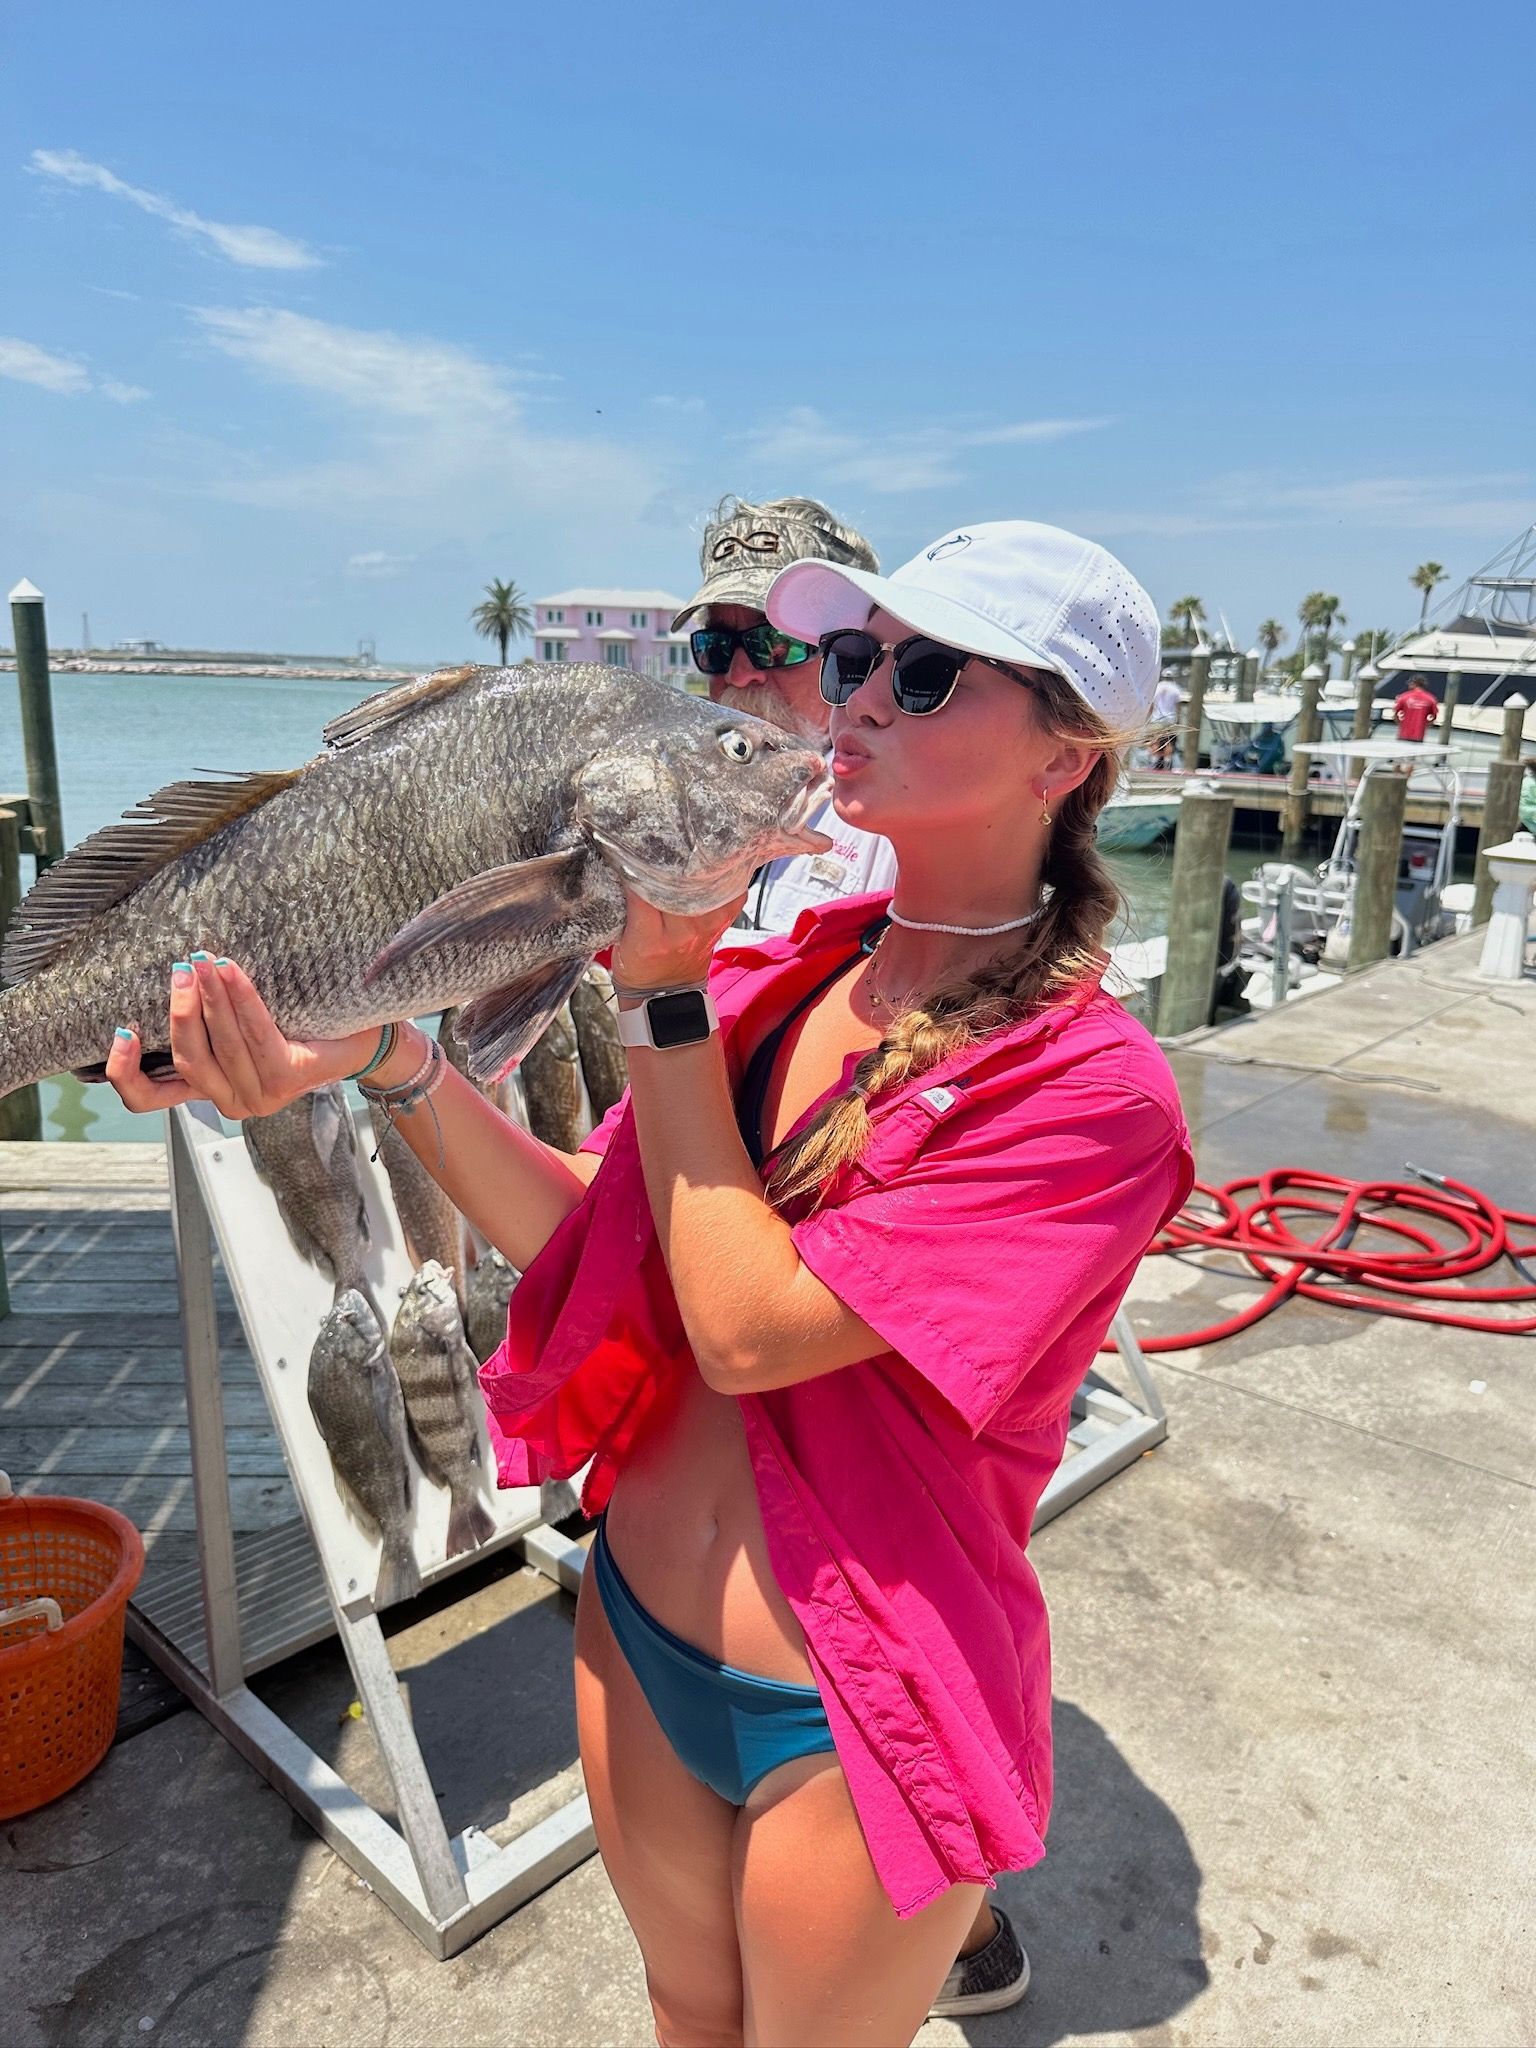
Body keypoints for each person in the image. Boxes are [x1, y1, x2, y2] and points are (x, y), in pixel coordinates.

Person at [104, 519, 1193, 2048]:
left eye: (929, 673)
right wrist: (375, 1054)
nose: (857, 698)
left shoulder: (1090, 1095)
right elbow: (596, 1246)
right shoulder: (792, 972)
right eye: (857, 657)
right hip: (634, 1628)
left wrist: (659, 990)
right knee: (685, 2018)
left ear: (1067, 758)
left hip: (855, 1705)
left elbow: (745, 1336)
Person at [678, 492, 1023, 2014]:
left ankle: (960, 1907)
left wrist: (653, 995)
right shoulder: (729, 834)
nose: (757, 677)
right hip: (698, 1505)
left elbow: (782, 1307)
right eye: (719, 644)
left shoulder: (884, 860)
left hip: (853, 1433)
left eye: (797, 647)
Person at [672, 496, 898, 934]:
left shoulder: (899, 818)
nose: (740, 674)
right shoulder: (671, 794)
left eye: (775, 644)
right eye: (716, 647)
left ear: (853, 654)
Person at [1393, 675, 1439, 744]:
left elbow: (1395, 714)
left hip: (1403, 734)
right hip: (1419, 735)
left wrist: (1401, 723)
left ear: (1414, 683)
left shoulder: (1404, 697)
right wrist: (1424, 725)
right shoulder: (1431, 699)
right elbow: (1433, 717)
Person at [1149, 670, 1182, 766]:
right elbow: (1178, 707)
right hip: (1170, 718)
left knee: (1155, 740)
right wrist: (1178, 720)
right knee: (1169, 741)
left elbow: (1152, 704)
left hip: (1157, 718)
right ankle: (1167, 762)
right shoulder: (1176, 689)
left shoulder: (1157, 687)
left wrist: (1148, 718)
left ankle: (1154, 761)